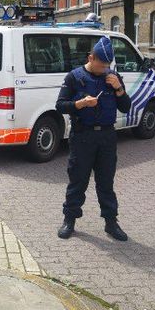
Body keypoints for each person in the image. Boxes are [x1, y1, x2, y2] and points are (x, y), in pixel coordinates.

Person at [55, 36, 131, 241]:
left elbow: (126, 106)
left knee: (106, 183)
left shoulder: (112, 77)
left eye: (107, 65)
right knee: (77, 182)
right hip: (82, 136)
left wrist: (119, 88)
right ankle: (69, 219)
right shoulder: (74, 77)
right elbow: (60, 105)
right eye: (101, 64)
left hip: (107, 136)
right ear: (91, 57)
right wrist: (80, 104)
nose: (104, 68)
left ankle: (111, 222)